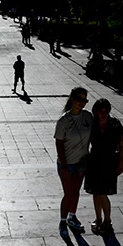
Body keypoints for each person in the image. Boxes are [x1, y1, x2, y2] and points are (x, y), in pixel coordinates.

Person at [54, 87, 93, 237]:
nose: (82, 103)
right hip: (67, 163)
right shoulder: (64, 121)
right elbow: (59, 143)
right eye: (79, 99)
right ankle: (62, 221)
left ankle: (72, 216)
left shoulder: (88, 117)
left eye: (84, 100)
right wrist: (63, 164)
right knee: (68, 193)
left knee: (76, 191)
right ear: (72, 99)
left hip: (82, 161)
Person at [83, 99, 123, 235]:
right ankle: (98, 218)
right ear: (95, 111)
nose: (103, 114)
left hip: (109, 160)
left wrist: (121, 162)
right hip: (94, 160)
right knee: (96, 192)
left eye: (106, 111)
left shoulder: (115, 124)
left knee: (102, 192)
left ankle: (107, 220)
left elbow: (121, 145)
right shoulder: (92, 124)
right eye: (101, 111)